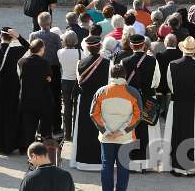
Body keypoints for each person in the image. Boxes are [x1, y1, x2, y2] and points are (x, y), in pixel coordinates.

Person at [90, 63, 142, 191]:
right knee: (123, 167)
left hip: (106, 137)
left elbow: (94, 114)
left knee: (106, 166)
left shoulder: (101, 91)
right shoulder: (133, 92)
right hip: (126, 137)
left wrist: (106, 130)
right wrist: (122, 131)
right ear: (125, 76)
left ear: (111, 75)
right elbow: (138, 115)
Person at [163, 36, 195, 175]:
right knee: (194, 134)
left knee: (175, 133)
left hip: (177, 103)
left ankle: (175, 166)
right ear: (194, 50)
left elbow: (170, 85)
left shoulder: (172, 65)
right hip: (194, 105)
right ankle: (192, 167)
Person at [119, 34, 160, 171]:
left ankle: (131, 163)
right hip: (147, 99)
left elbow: (122, 83)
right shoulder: (153, 61)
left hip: (130, 99)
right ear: (144, 45)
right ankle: (146, 164)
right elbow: (156, 82)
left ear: (131, 46)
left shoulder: (124, 62)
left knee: (131, 129)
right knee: (147, 130)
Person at [0, 27, 30, 154]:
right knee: (11, 115)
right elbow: (28, 46)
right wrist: (19, 36)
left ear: (0, 35)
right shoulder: (15, 51)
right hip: (12, 85)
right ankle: (10, 144)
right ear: (11, 38)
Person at [70, 36, 110, 171]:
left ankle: (81, 161)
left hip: (85, 100)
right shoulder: (108, 63)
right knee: (99, 129)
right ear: (100, 47)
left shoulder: (80, 63)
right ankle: (99, 161)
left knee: (83, 129)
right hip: (101, 100)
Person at [18, 39, 54, 151]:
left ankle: (27, 148)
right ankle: (44, 147)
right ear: (41, 49)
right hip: (42, 99)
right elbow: (49, 78)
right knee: (45, 126)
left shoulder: (22, 62)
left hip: (26, 98)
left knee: (28, 125)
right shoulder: (45, 63)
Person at [30, 13, 63, 134]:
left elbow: (30, 51)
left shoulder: (33, 35)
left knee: (38, 96)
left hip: (37, 68)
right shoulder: (55, 37)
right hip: (53, 69)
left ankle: (39, 127)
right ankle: (56, 126)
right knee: (55, 98)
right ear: (50, 22)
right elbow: (59, 52)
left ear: (38, 23)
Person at [58, 32, 82, 141]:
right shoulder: (80, 52)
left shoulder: (60, 52)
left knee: (67, 108)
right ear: (76, 41)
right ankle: (76, 132)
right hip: (76, 81)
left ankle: (67, 134)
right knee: (76, 108)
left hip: (65, 81)